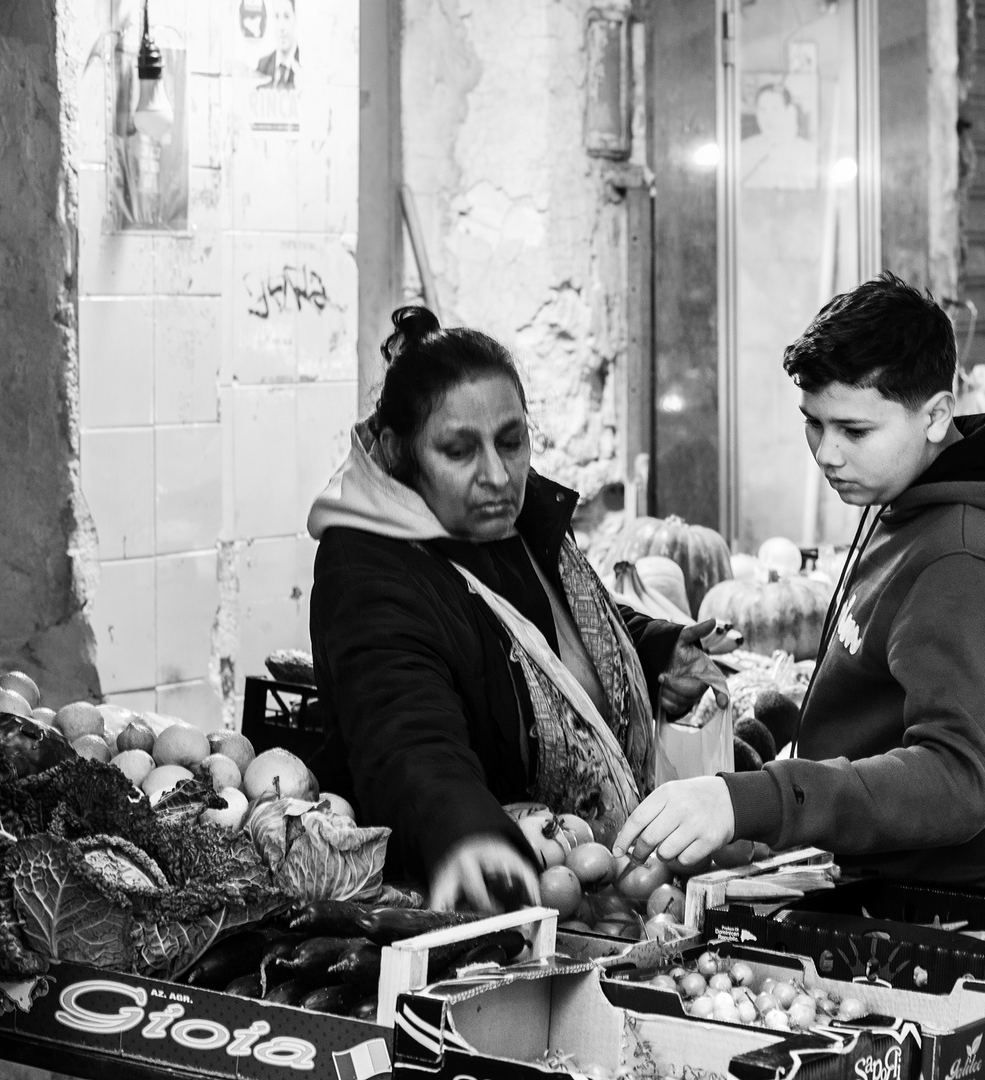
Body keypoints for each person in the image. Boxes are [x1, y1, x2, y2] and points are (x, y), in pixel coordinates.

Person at [614, 273, 985, 901]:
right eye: (814, 423)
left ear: (937, 415)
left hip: (970, 918)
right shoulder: (908, 501)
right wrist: (784, 725)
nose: (826, 454)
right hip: (904, 892)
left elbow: (957, 778)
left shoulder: (966, 558)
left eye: (855, 431)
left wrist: (757, 799)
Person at [307, 307, 728, 913]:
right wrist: (466, 836)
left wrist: (658, 650)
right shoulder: (366, 569)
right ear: (400, 454)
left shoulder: (520, 523)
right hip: (486, 902)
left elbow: (553, 633)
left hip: (596, 890)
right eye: (459, 451)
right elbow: (403, 734)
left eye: (512, 441)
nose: (498, 474)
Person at [255, 0, 298, 89]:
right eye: (277, 17)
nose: (281, 27)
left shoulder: (305, 66)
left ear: (295, 18)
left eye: (286, 16)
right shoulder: (263, 65)